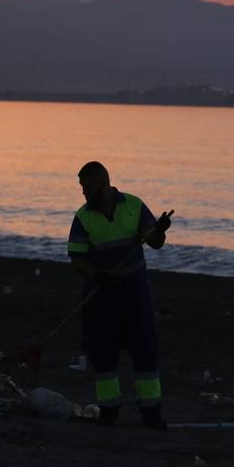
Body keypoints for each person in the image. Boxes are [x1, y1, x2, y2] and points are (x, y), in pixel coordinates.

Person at [67, 160, 173, 428]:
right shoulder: (83, 217)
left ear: (102, 185)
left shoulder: (134, 205)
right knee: (103, 354)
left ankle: (151, 413)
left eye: (86, 187)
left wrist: (158, 230)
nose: (82, 193)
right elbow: (76, 258)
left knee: (145, 350)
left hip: (135, 293)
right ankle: (109, 411)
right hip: (101, 295)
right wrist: (95, 275)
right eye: (81, 187)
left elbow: (155, 243)